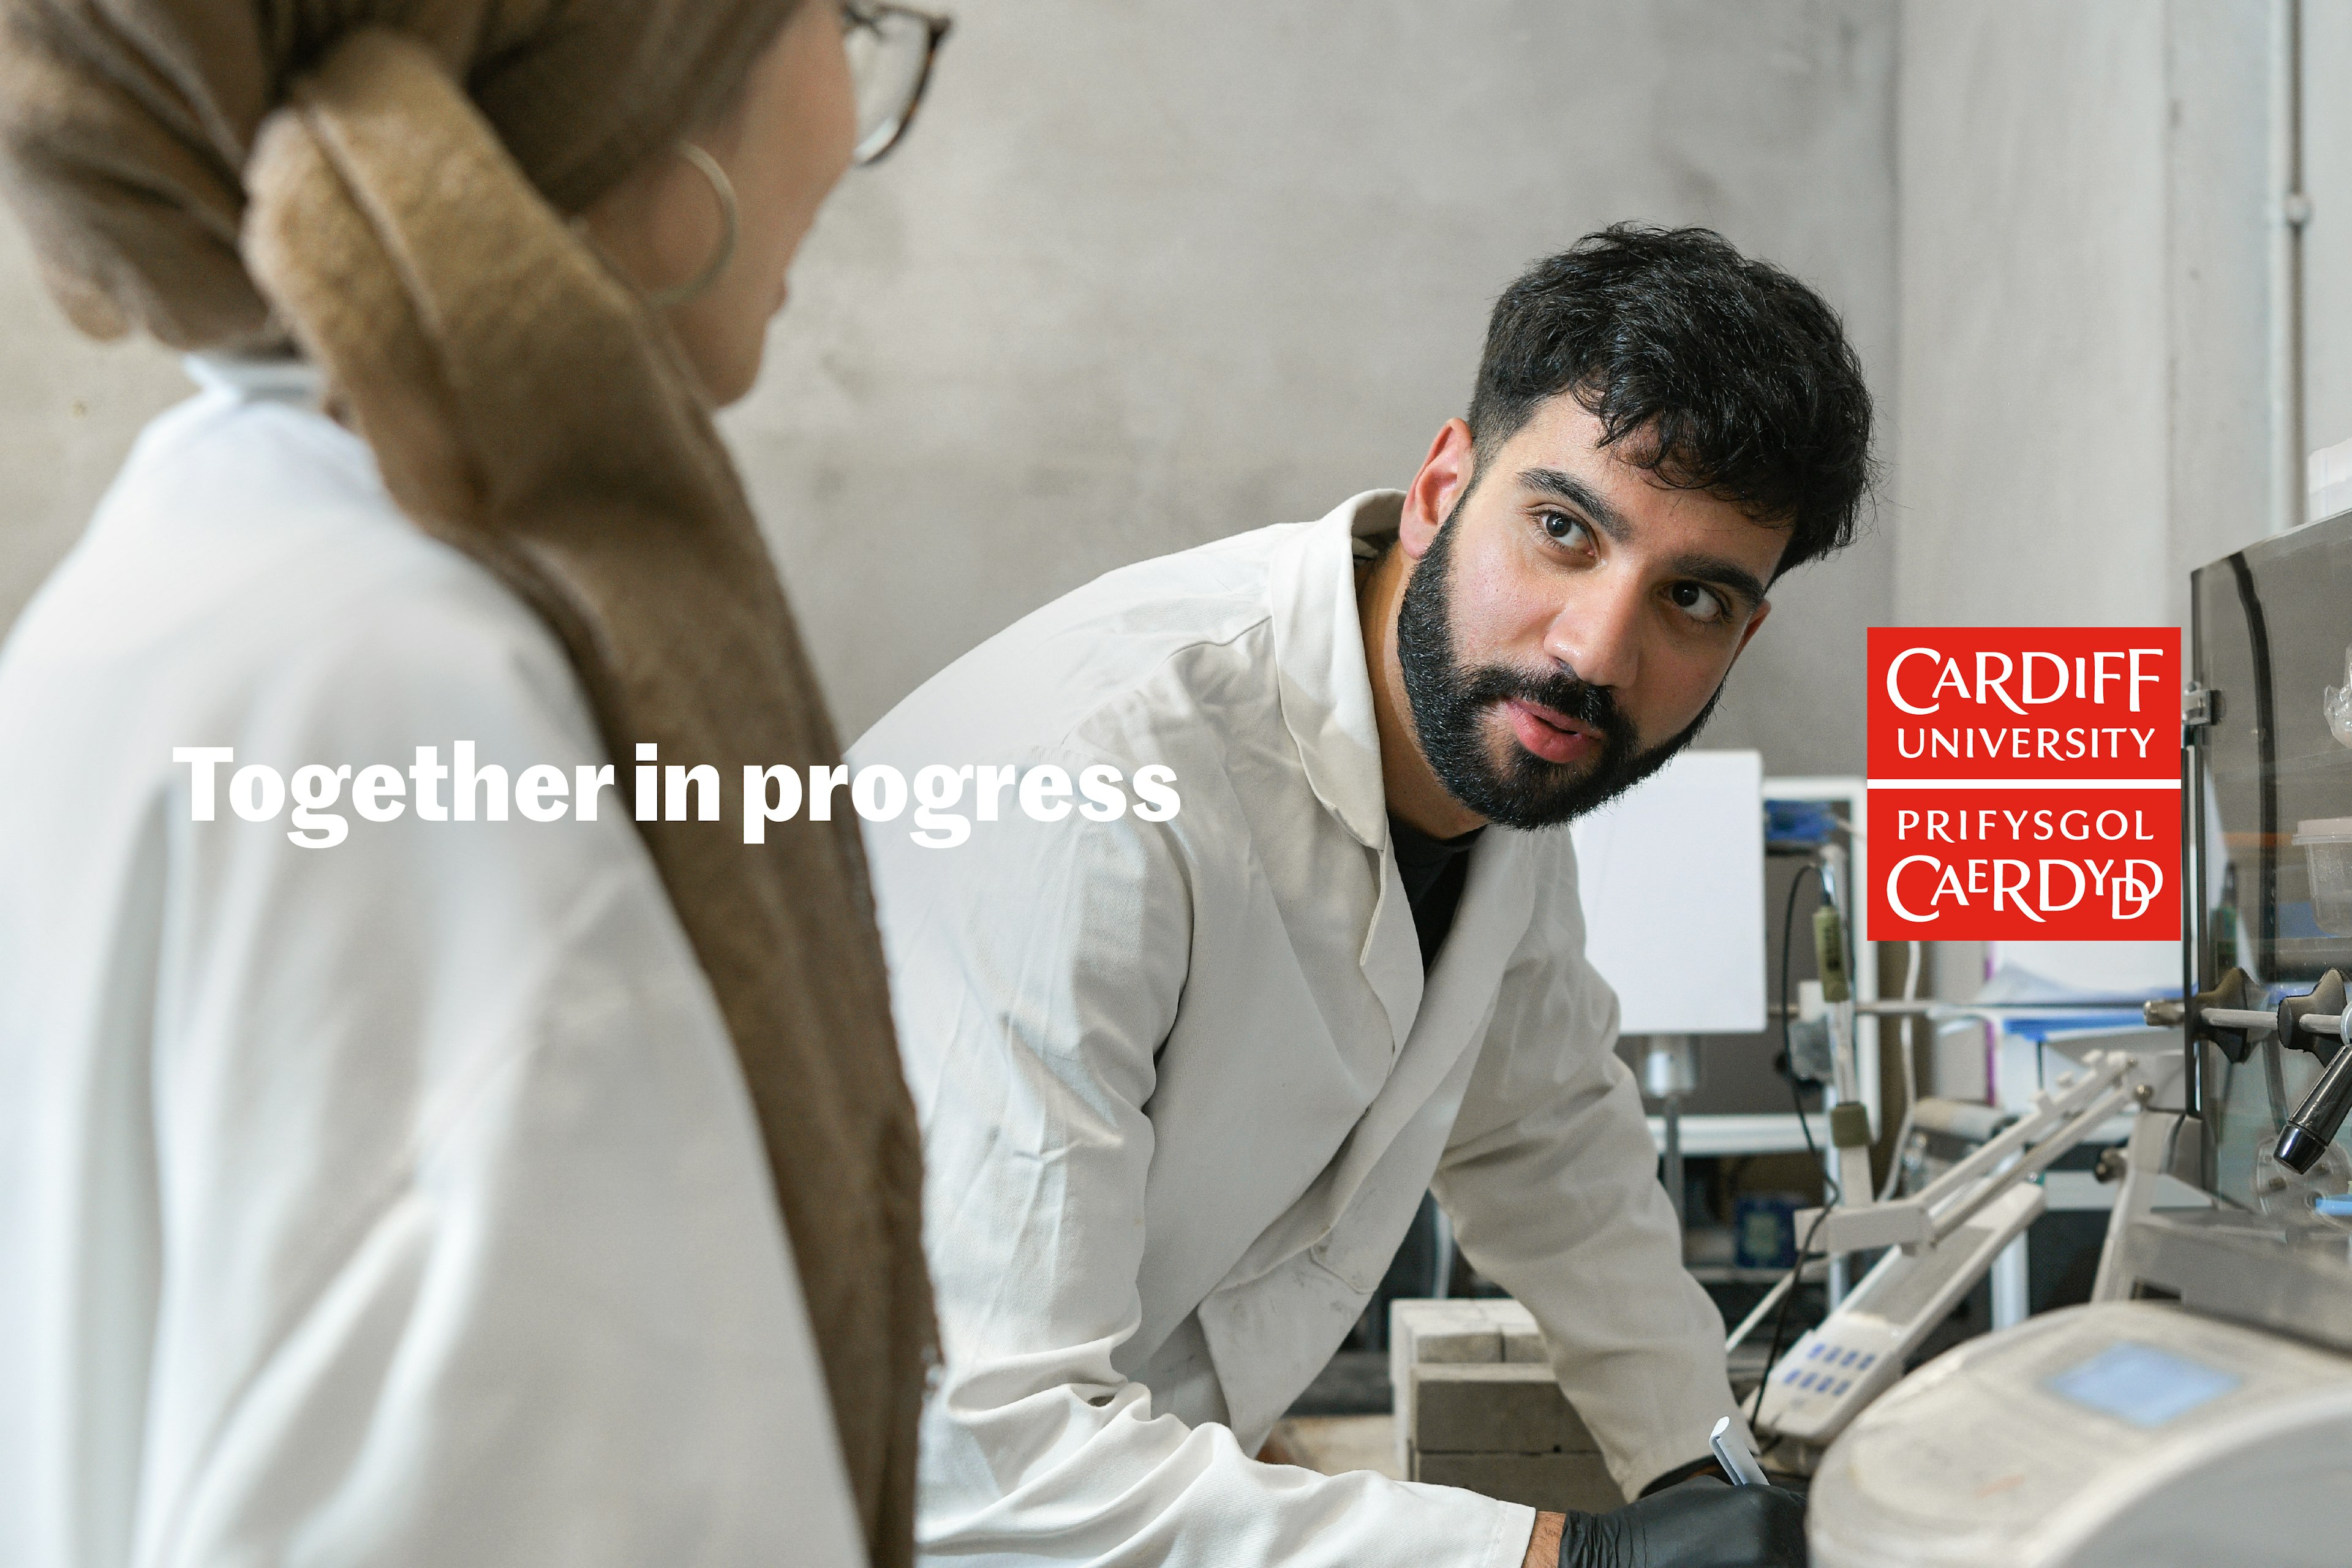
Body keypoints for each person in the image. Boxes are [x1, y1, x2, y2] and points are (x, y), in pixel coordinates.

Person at [0, 3, 944, 1564]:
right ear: (640, 84)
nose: (855, 112)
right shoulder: (444, 734)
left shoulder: (181, 571)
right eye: (838, 20)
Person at [852, 225, 1868, 1568]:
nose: (1595, 651)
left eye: (1690, 596)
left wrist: (1708, 1472)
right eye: (1564, 530)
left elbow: (1548, 1135)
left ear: (1744, 632)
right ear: (1445, 483)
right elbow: (979, 1465)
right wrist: (1573, 1558)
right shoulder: (1090, 780)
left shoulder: (1503, 765)